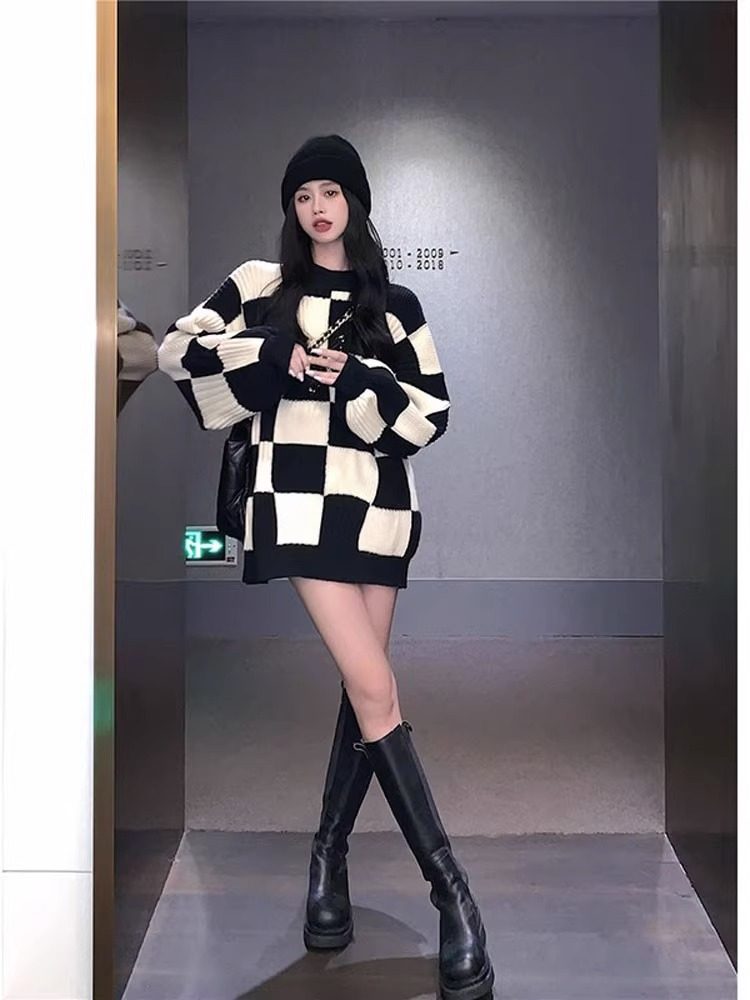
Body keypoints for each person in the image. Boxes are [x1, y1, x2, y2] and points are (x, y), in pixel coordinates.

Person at [157, 134, 495, 1000]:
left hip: (377, 509)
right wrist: (271, 355)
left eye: (331, 192)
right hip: (297, 504)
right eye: (304, 194)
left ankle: (327, 860)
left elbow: (431, 414)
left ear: (355, 202)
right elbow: (176, 352)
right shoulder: (259, 285)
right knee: (376, 687)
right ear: (292, 207)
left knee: (364, 689)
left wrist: (361, 382)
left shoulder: (396, 301)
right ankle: (454, 897)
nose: (317, 208)